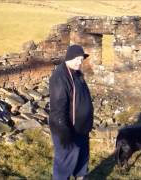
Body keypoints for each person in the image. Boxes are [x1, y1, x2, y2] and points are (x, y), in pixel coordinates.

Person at [49, 44, 94, 180]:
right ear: (69, 57)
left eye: (81, 59)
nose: (79, 62)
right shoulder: (60, 77)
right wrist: (64, 132)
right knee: (64, 165)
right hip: (67, 130)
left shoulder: (77, 74)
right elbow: (58, 109)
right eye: (77, 59)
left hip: (81, 128)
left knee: (82, 162)